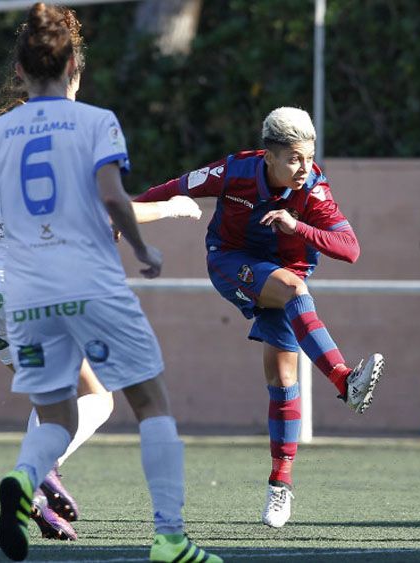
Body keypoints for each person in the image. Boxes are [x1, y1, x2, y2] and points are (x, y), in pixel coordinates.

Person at [0, 8, 201, 543]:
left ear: (19, 72)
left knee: (59, 401)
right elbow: (111, 204)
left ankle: (33, 483)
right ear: (73, 74)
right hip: (44, 289)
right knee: (106, 400)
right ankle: (44, 480)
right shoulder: (85, 127)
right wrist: (169, 214)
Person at [133, 106, 385, 529]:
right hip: (231, 262)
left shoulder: (315, 189)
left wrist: (297, 227)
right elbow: (172, 188)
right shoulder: (233, 172)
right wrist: (125, 217)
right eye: (294, 159)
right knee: (293, 288)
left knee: (283, 378)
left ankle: (279, 485)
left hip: (287, 278)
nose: (305, 167)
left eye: (309, 156)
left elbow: (350, 249)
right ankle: (344, 379)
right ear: (269, 156)